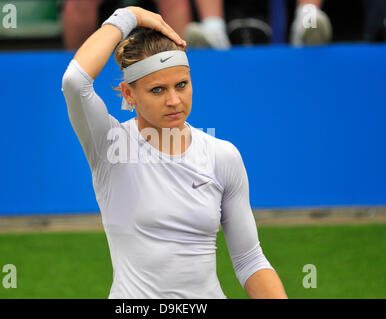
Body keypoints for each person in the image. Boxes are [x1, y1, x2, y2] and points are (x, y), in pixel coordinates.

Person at [61, 6, 288, 298]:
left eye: (182, 85)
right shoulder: (109, 143)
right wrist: (129, 16)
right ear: (129, 94)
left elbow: (249, 260)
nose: (174, 100)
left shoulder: (222, 155)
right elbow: (74, 81)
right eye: (157, 90)